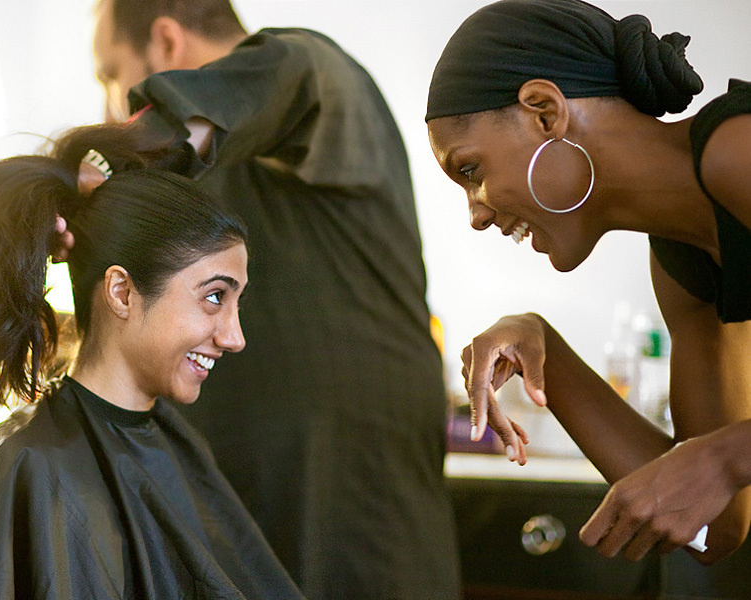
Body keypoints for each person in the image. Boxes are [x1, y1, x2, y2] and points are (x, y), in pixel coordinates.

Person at [59, 1, 463, 598]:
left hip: (354, 520)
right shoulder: (177, 193)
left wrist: (111, 157)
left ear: (167, 44)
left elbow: (272, 83)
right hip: (233, 525)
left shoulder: (316, 76)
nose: (109, 106)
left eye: (112, 75)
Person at [425, 0, 751, 566]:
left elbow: (724, 469)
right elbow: (717, 528)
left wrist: (728, 458)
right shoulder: (683, 264)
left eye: (470, 171)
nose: (476, 215)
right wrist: (543, 348)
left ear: (545, 113)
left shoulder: (739, 153)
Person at [0, 122, 305, 599]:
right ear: (122, 292)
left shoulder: (177, 442)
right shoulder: (33, 465)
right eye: (214, 297)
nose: (234, 337)